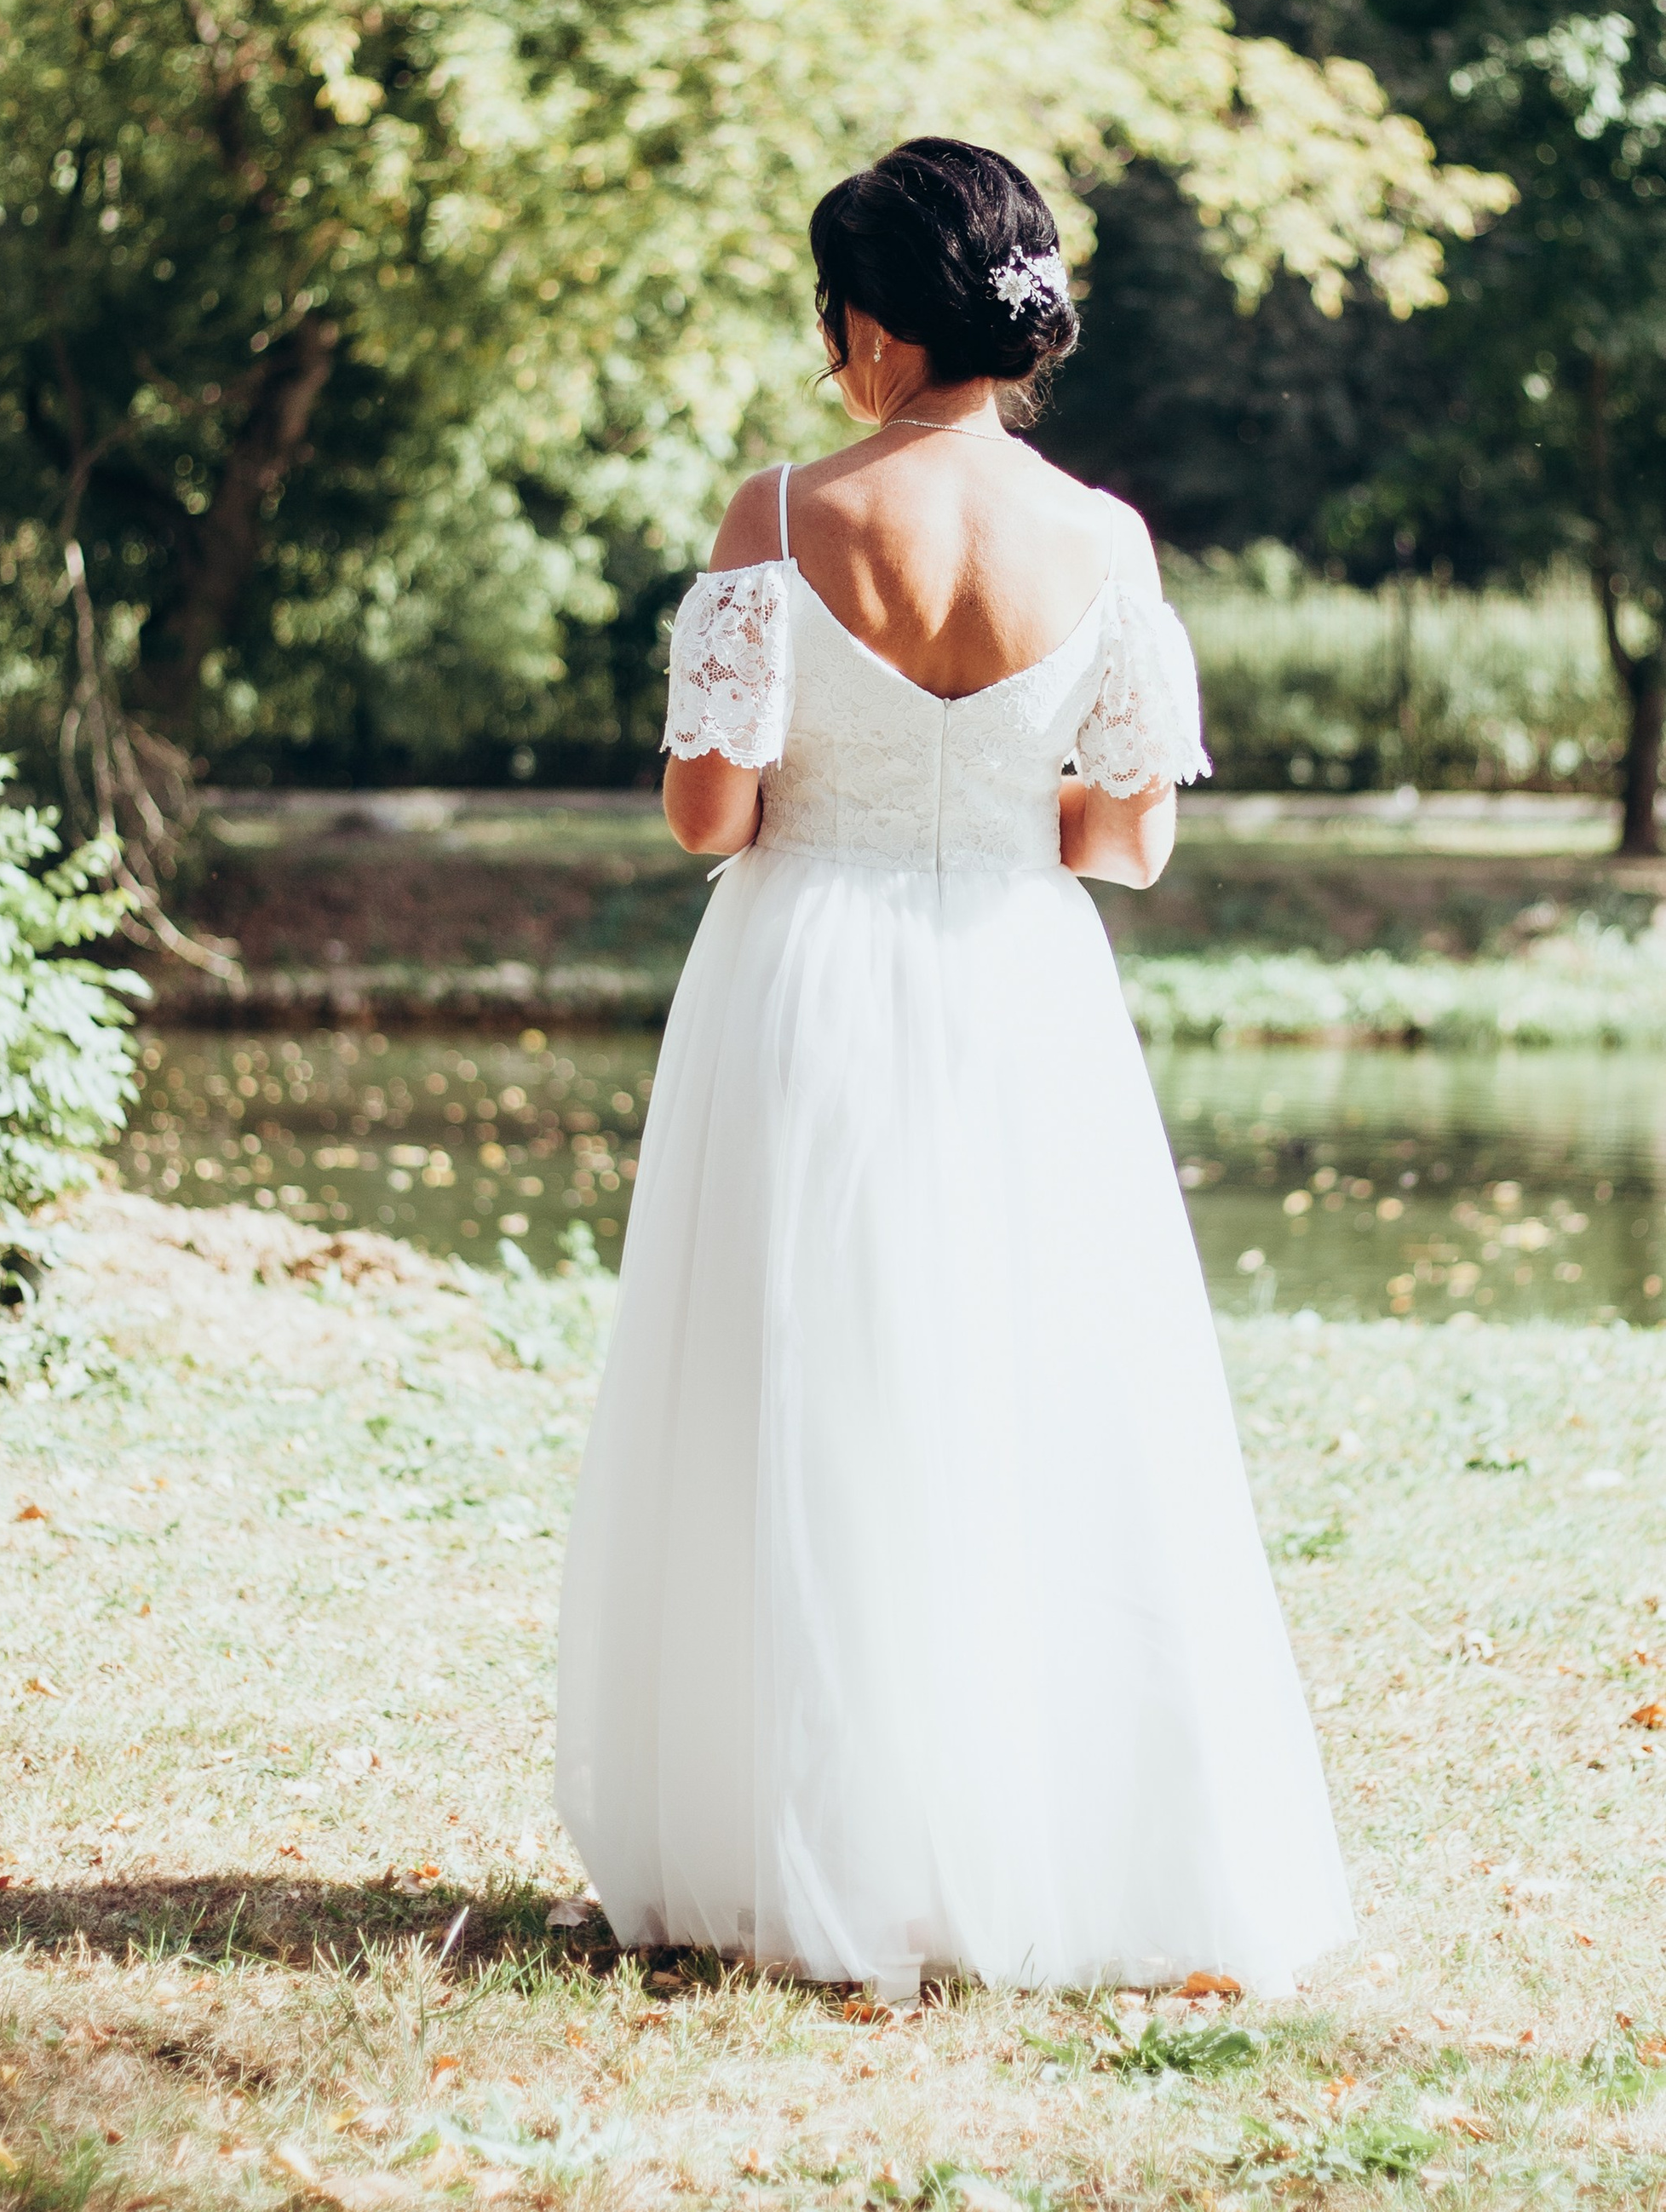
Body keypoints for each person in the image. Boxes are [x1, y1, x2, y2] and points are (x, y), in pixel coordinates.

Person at [555, 136, 1351, 2002]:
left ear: (864, 320)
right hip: (1017, 989)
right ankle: (1040, 1840)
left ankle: (795, 1844)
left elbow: (703, 813)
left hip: (802, 972)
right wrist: (984, 806)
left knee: (804, 1381)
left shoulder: (774, 513)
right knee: (1031, 1384)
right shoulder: (1100, 537)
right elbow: (1130, 839)